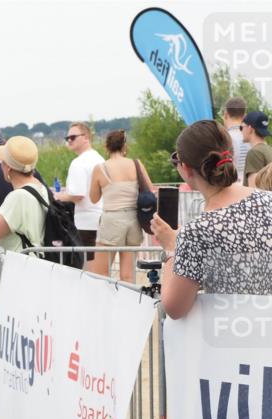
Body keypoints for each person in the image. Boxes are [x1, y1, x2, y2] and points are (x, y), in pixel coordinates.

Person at [151, 119, 272, 319]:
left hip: (234, 336)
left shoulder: (197, 232)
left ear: (186, 169)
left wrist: (173, 249)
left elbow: (174, 307)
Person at [86, 130, 155, 282]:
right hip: (134, 221)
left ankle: (105, 304)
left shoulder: (100, 168)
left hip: (112, 219)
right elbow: (150, 190)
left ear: (107, 147)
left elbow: (94, 198)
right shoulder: (136, 164)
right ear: (125, 145)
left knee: (102, 274)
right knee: (128, 275)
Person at [54, 122, 104, 247]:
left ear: (86, 137)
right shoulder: (100, 159)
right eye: (67, 138)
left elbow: (77, 194)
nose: (69, 141)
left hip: (85, 224)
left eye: (73, 137)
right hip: (103, 220)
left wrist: (57, 196)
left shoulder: (78, 163)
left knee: (86, 265)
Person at [221, 97, 250, 183]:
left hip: (231, 187)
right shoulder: (253, 136)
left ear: (226, 114)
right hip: (252, 187)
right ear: (245, 116)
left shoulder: (223, 138)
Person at [242, 111, 271, 187]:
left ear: (250, 128)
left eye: (241, 127)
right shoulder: (269, 149)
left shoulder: (254, 153)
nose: (241, 131)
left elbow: (254, 191)